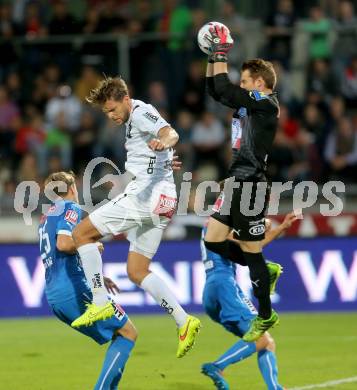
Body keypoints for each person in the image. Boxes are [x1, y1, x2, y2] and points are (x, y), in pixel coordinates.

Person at [71, 76, 201, 358]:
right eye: (106, 112)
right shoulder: (132, 121)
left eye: (113, 109)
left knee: (81, 234)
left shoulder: (140, 112)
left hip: (146, 197)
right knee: (137, 270)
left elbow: (170, 132)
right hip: (164, 201)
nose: (111, 116)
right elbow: (155, 150)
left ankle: (100, 300)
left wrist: (165, 142)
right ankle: (184, 320)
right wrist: (164, 156)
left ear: (125, 100)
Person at [203, 24, 281, 342]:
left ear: (259, 84)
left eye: (246, 81)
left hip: (251, 186)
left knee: (249, 250)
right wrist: (213, 56)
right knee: (213, 240)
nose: (241, 85)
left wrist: (221, 50)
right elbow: (215, 89)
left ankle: (264, 315)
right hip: (237, 182)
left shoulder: (266, 103)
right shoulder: (250, 105)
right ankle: (264, 267)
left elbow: (223, 89)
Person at [38, 171, 137, 389]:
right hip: (73, 289)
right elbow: (63, 245)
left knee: (122, 333)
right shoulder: (70, 208)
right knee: (128, 333)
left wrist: (97, 276)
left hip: (55, 295)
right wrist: (90, 245)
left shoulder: (46, 218)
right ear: (72, 188)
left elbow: (59, 257)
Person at [201, 212, 298, 390]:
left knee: (266, 341)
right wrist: (263, 224)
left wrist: (281, 227)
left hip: (211, 289)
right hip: (225, 285)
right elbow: (248, 243)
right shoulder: (224, 219)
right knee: (261, 338)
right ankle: (217, 366)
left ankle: (274, 387)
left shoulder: (214, 222)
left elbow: (252, 245)